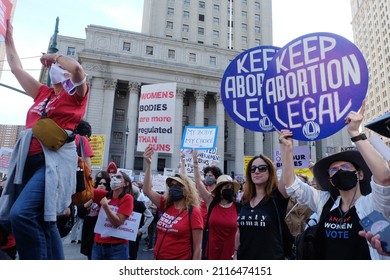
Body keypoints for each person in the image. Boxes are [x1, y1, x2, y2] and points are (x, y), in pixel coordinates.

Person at [0, 21, 89, 259]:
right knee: (45, 220)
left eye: (62, 68)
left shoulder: (76, 97)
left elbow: (79, 70)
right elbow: (16, 68)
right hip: (26, 163)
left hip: (52, 164)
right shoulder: (43, 93)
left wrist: (56, 57)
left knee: (21, 214)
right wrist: (9, 40)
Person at [279, 103, 390, 260]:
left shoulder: (372, 204)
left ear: (360, 175)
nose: (340, 172)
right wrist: (287, 149)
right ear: (330, 179)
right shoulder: (325, 202)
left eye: (345, 166)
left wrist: (354, 133)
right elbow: (291, 185)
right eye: (334, 170)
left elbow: (384, 178)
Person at [143, 145, 203, 260]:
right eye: (172, 185)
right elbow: (147, 190)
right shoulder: (166, 204)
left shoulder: (193, 212)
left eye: (179, 186)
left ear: (187, 190)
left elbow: (197, 247)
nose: (174, 188)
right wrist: (149, 164)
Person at [234, 153, 291, 260]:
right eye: (253, 169)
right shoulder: (244, 200)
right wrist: (235, 253)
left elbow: (287, 172)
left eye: (262, 168)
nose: (256, 171)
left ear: (270, 172)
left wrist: (287, 146)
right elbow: (240, 231)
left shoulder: (278, 197)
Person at [192, 150, 240, 260]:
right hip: (212, 250)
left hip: (231, 252)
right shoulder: (211, 201)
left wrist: (237, 252)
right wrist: (195, 162)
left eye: (231, 188)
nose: (229, 190)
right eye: (225, 187)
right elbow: (199, 183)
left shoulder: (238, 207)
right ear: (219, 189)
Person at [91, 171, 134, 260]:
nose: (114, 178)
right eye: (113, 176)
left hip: (117, 248)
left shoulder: (127, 198)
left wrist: (106, 207)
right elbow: (86, 191)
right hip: (98, 245)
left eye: (118, 177)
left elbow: (117, 222)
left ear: (126, 183)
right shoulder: (105, 195)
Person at [79, 172, 111, 259]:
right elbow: (80, 213)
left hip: (103, 234)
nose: (101, 185)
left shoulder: (110, 198)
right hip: (89, 233)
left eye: (104, 184)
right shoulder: (89, 195)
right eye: (99, 183)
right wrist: (91, 199)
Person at [128, 185, 153, 260]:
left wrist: (141, 230)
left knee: (132, 254)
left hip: (134, 234)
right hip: (122, 234)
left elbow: (150, 217)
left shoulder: (139, 204)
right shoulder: (121, 202)